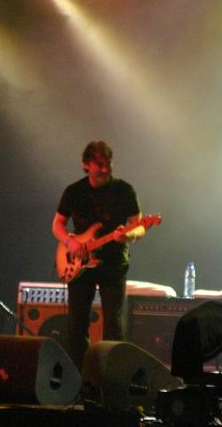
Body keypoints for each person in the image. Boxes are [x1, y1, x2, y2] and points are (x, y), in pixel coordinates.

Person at [52, 141, 146, 369]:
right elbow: (57, 224)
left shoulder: (124, 190)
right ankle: (80, 376)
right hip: (79, 264)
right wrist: (70, 242)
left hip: (114, 264)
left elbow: (140, 225)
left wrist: (128, 236)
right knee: (77, 325)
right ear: (86, 165)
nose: (105, 169)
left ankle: (113, 374)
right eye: (99, 164)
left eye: (108, 164)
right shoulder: (74, 191)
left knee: (114, 324)